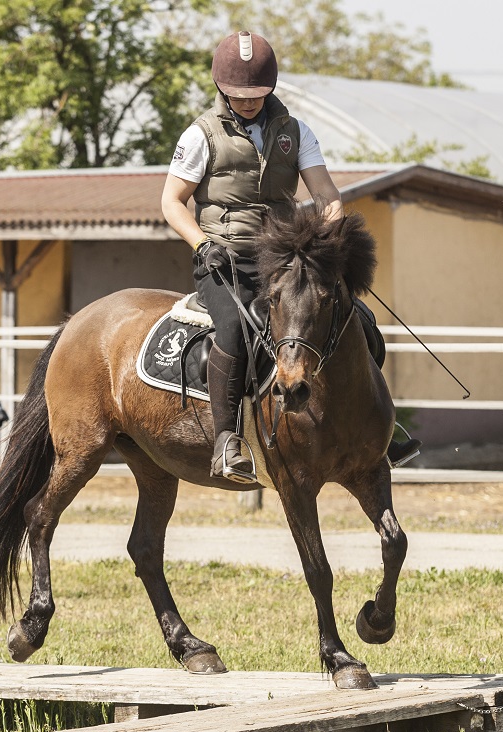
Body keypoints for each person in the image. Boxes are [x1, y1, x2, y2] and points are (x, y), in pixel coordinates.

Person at [160, 30, 420, 483]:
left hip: (280, 259)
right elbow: (171, 202)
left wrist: (331, 235)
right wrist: (204, 244)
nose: (248, 103)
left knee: (357, 320)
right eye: (239, 96)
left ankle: (376, 429)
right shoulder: (201, 135)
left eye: (257, 95)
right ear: (222, 88)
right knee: (236, 330)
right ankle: (227, 442)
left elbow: (325, 193)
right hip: (225, 260)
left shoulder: (296, 131)